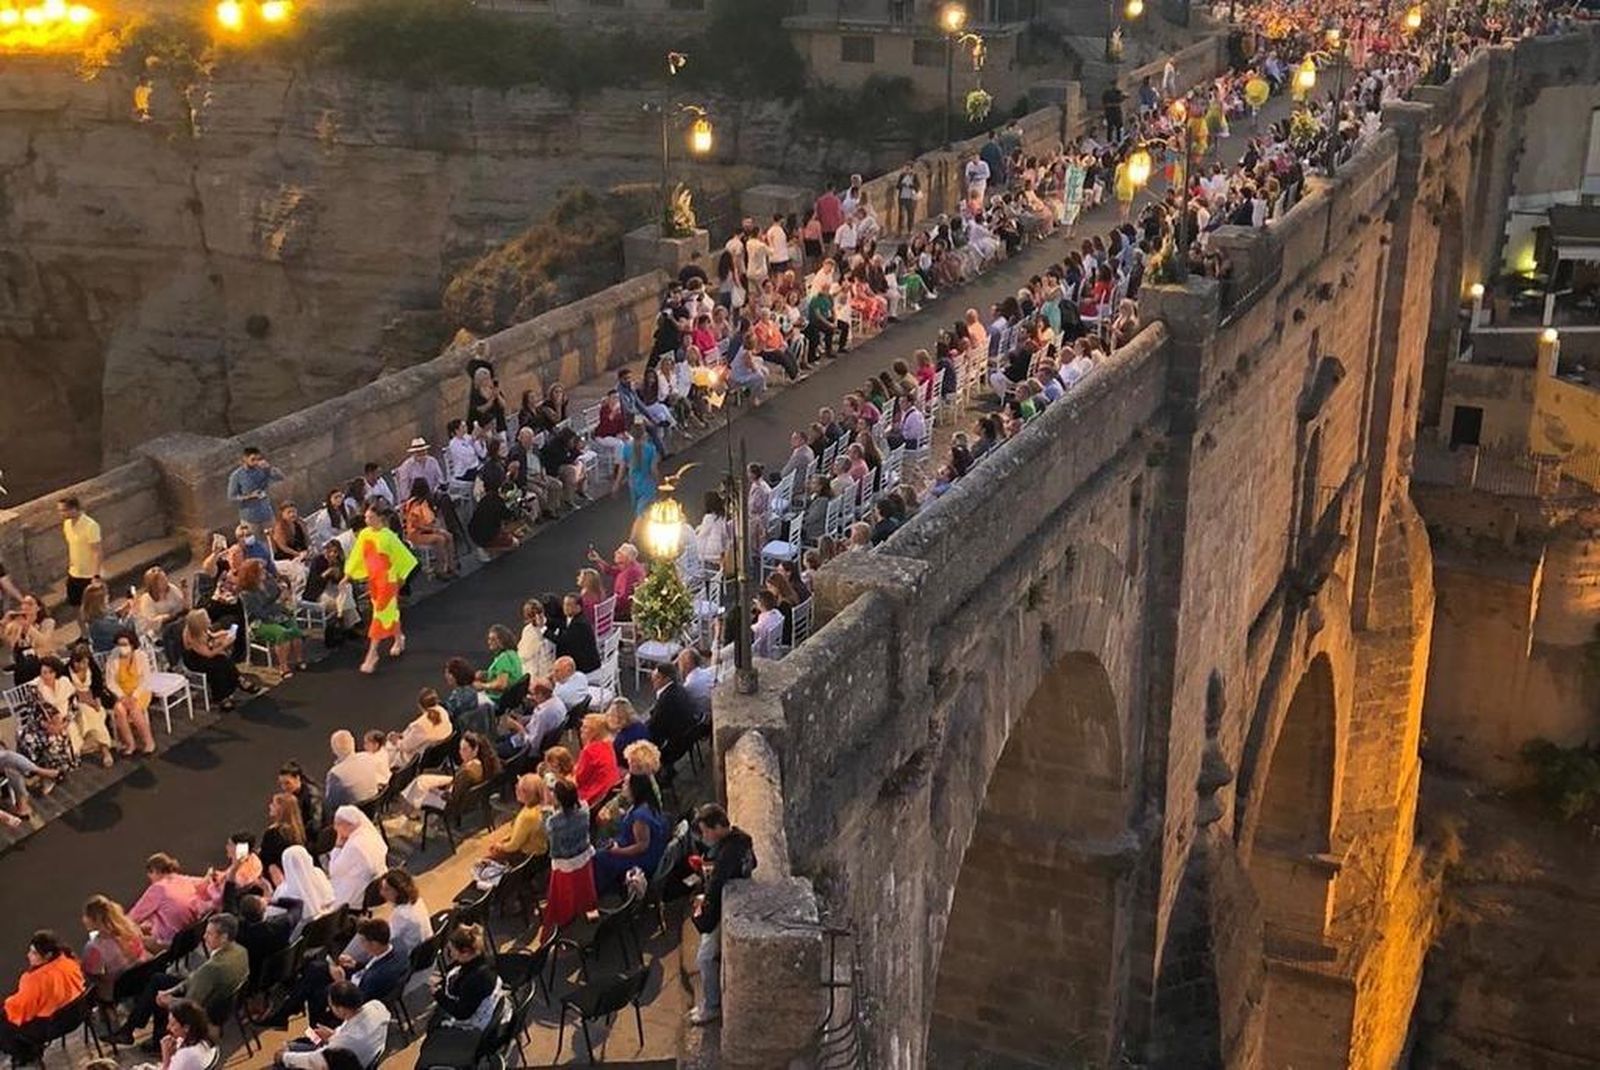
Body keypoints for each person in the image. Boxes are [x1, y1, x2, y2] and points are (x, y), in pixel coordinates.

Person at [109, 913, 249, 1052]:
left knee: (157, 995)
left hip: (207, 1008)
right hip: (219, 998)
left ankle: (150, 1038)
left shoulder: (212, 968)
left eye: (209, 934)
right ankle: (131, 1028)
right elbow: (195, 978)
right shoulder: (241, 951)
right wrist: (171, 991)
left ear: (224, 938)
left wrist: (168, 1000)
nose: (204, 937)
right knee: (159, 980)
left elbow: (189, 1006)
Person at [258, 919, 405, 1031]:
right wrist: (355, 964)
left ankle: (315, 1029)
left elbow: (356, 1000)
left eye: (362, 942)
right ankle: (286, 1012)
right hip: (359, 978)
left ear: (373, 944)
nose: (361, 946)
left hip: (355, 995)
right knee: (315, 968)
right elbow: (368, 969)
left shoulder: (377, 976)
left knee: (317, 992)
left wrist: (340, 982)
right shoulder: (394, 952)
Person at [687, 803, 756, 1026]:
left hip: (727, 907)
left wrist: (703, 910)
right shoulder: (742, 839)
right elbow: (753, 863)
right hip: (735, 899)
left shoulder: (727, 853)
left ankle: (711, 1007)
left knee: (705, 958)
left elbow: (716, 887)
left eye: (706, 830)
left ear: (718, 826)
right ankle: (711, 1002)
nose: (704, 836)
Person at [344, 505, 418, 674]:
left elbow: (402, 556)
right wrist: (347, 574)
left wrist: (401, 578)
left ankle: (372, 653)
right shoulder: (364, 534)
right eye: (366, 517)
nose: (366, 520)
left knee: (380, 614)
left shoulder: (389, 536)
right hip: (374, 581)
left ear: (379, 518)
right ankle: (399, 639)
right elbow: (357, 555)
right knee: (388, 612)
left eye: (370, 517)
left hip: (388, 580)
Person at [0, 931, 84, 1063]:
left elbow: (21, 1011)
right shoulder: (69, 963)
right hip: (75, 1015)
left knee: (4, 1025)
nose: (28, 955)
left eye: (34, 953)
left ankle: (25, 1054)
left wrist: (8, 1004)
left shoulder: (34, 980)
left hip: (50, 1027)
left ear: (48, 955)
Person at [277, 980, 390, 1070]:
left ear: (341, 1009)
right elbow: (353, 1033)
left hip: (340, 1064)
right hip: (364, 1059)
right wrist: (333, 1035)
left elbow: (314, 1061)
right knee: (310, 1037)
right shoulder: (377, 1006)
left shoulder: (341, 1047)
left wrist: (284, 1057)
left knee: (285, 1051)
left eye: (331, 1006)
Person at [593, 774, 670, 896]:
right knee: (603, 847)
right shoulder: (647, 802)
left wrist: (617, 851)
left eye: (625, 784)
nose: (622, 786)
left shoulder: (640, 817)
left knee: (599, 857)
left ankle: (598, 891)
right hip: (632, 844)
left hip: (643, 858)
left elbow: (641, 846)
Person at [541, 781, 597, 933]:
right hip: (584, 856)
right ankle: (588, 916)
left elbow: (546, 830)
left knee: (564, 897)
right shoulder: (585, 809)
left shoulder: (553, 822)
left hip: (564, 863)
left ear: (557, 798)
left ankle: (566, 924)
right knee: (585, 890)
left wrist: (547, 805)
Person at [237, 558, 306, 676]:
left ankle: (299, 660)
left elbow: (278, 592)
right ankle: (283, 667)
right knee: (282, 633)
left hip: (276, 615)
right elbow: (260, 613)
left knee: (294, 628)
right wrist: (278, 604)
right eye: (261, 570)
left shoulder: (268, 582)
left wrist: (283, 591)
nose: (265, 571)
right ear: (253, 574)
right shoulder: (247, 594)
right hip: (259, 623)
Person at [402, 732, 497, 814]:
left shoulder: (467, 772)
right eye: (460, 749)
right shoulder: (482, 764)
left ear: (475, 750)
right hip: (467, 801)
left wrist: (437, 792)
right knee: (420, 783)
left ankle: (409, 813)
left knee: (420, 791)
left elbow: (453, 798)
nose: (460, 753)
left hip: (452, 806)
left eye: (464, 749)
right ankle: (409, 812)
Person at [17, 658, 82, 773]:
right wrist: (47, 725)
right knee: (36, 740)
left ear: (56, 672)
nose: (47, 676)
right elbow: (32, 712)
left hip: (63, 722)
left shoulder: (64, 682)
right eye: (44, 673)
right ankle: (46, 771)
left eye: (50, 672)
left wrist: (64, 724)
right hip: (42, 724)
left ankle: (57, 770)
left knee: (59, 737)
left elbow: (74, 706)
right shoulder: (34, 688)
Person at [129, 853, 206, 946]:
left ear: (155, 870)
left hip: (172, 944)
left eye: (150, 874)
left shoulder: (158, 888)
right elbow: (206, 881)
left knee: (133, 940)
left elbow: (133, 917)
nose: (150, 879)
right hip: (191, 936)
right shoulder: (185, 880)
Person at [82, 894, 150, 1000]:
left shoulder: (94, 948)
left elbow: (92, 974)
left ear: (94, 919)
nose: (83, 919)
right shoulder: (130, 930)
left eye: (85, 916)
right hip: (143, 981)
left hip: (119, 991)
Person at [429, 925, 496, 1030]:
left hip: (478, 1025)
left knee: (433, 1024)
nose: (450, 953)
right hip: (488, 1007)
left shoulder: (474, 980)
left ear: (465, 952)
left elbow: (462, 1013)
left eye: (451, 950)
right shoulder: (484, 958)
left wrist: (438, 994)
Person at [180, 609, 247, 710]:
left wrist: (225, 633)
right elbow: (208, 654)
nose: (209, 619)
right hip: (195, 660)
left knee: (224, 659)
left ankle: (238, 681)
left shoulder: (202, 629)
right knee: (217, 666)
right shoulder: (191, 636)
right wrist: (224, 645)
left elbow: (212, 635)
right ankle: (222, 697)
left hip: (204, 653)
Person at [326, 806, 388, 909]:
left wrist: (338, 845)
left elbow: (333, 870)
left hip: (357, 893)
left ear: (347, 825)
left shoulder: (354, 845)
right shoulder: (370, 834)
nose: (335, 829)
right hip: (374, 886)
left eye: (337, 825)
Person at [646, 662, 701, 778]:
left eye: (657, 678)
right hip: (688, 738)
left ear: (666, 679)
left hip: (674, 749)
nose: (653, 680)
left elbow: (653, 728)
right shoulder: (679, 689)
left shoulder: (666, 701)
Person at [270, 846, 338, 938]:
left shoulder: (284, 891)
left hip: (299, 939)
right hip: (325, 933)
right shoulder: (319, 874)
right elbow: (330, 898)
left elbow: (271, 916)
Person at [133, 996, 216, 1070]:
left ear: (186, 1028)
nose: (168, 1027)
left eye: (173, 1024)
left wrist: (166, 1055)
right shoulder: (203, 1043)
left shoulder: (185, 1055)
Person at [402, 477, 459, 579]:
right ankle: (440, 569)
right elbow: (415, 525)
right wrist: (432, 529)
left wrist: (435, 526)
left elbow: (430, 518)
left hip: (428, 529)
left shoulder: (425, 502)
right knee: (440, 539)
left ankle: (451, 565)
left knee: (448, 536)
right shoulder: (413, 504)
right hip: (416, 533)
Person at [486, 774, 550, 863]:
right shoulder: (542, 807)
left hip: (529, 858)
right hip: (540, 852)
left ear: (525, 793)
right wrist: (507, 838)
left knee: (488, 858)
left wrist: (499, 846)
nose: (515, 789)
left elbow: (513, 846)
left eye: (518, 788)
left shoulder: (527, 816)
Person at [387, 689, 453, 769]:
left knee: (389, 747)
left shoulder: (419, 725)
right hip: (440, 755)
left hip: (418, 760)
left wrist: (395, 741)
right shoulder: (443, 712)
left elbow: (405, 747)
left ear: (420, 705)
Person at [325, 730, 389, 810]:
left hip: (353, 815)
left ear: (334, 750)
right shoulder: (368, 757)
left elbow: (330, 802)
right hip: (373, 808)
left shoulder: (335, 773)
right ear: (353, 743)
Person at [226, 446, 285, 531]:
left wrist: (269, 468)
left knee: (273, 539)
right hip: (249, 517)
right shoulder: (236, 476)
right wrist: (249, 496)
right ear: (245, 459)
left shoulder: (263, 469)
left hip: (266, 513)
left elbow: (280, 477)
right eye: (253, 459)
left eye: (258, 459)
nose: (256, 462)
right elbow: (231, 497)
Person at [58, 496, 102, 608]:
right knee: (76, 606)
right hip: (73, 573)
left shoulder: (91, 526)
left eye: (63, 510)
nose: (60, 513)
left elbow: (97, 551)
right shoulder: (66, 525)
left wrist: (96, 576)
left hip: (89, 575)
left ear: (73, 509)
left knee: (91, 608)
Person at [573, 713, 623, 808]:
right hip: (606, 794)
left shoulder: (589, 751)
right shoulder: (608, 744)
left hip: (592, 796)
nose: (581, 729)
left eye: (585, 727)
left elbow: (579, 779)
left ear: (595, 732)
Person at [473, 624, 526, 709]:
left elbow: (501, 684)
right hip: (508, 699)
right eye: (489, 639)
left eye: (493, 639)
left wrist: (482, 685)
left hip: (498, 700)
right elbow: (507, 677)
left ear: (502, 641)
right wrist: (486, 675)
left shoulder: (504, 658)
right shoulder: (512, 654)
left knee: (468, 701)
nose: (489, 642)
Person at [260, 790, 306, 887]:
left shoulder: (272, 833)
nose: (270, 806)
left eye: (274, 804)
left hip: (276, 881)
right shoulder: (297, 833)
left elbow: (269, 862)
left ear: (281, 809)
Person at [625, 419, 661, 516]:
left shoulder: (626, 448)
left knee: (638, 510)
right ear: (644, 434)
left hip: (633, 483)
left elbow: (622, 467)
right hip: (647, 484)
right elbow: (653, 470)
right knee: (647, 512)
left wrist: (617, 484)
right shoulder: (651, 449)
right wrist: (658, 482)